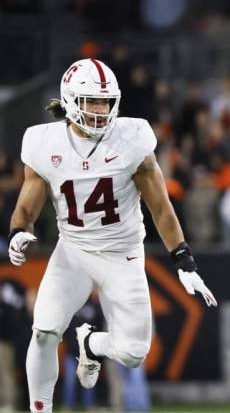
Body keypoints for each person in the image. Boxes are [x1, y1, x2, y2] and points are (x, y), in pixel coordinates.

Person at [7, 58, 216, 413]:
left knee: (134, 354)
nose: (100, 110)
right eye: (91, 101)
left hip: (123, 253)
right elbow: (27, 204)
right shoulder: (44, 142)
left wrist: (184, 260)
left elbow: (161, 207)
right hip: (73, 250)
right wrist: (17, 231)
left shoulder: (131, 138)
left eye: (105, 101)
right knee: (43, 332)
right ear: (71, 100)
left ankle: (90, 345)